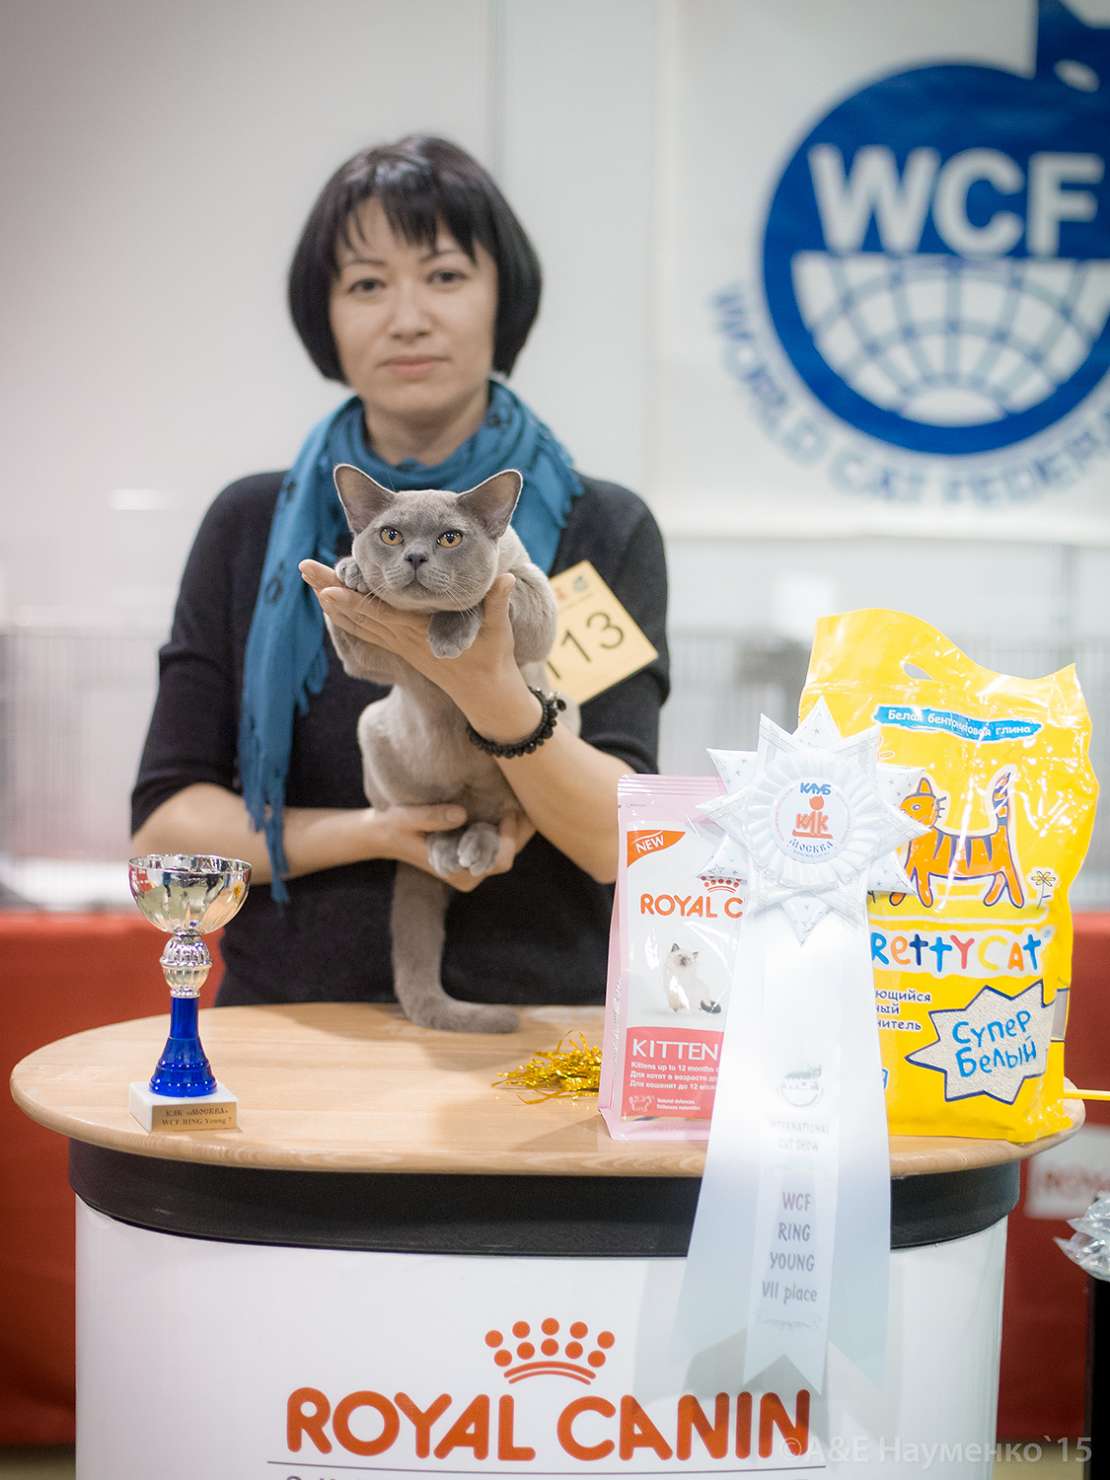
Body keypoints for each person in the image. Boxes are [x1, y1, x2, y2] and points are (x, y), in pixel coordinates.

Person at [130, 135, 669, 1010]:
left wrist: (491, 688)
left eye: (445, 275)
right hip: (294, 1022)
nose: (407, 317)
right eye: (367, 284)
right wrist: (383, 831)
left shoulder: (602, 525)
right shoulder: (251, 525)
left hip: (538, 1028)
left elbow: (622, 838)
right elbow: (166, 830)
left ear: (504, 299)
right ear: (325, 316)